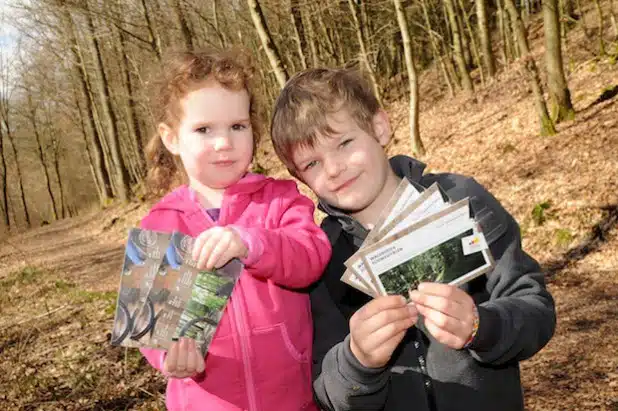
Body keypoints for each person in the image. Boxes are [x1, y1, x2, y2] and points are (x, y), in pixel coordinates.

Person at [270, 67, 556, 411]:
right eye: (312, 163)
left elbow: (535, 308)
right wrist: (357, 359)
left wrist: (482, 326)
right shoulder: (318, 258)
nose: (333, 169)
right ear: (298, 177)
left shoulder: (461, 201)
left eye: (344, 143)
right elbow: (327, 391)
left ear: (379, 127)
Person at [138, 49, 331, 411]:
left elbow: (311, 256)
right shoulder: (161, 224)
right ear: (171, 138)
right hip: (207, 401)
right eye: (203, 129)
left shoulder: (278, 199)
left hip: (292, 399)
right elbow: (150, 326)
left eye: (237, 126)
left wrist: (252, 242)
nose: (224, 142)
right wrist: (169, 357)